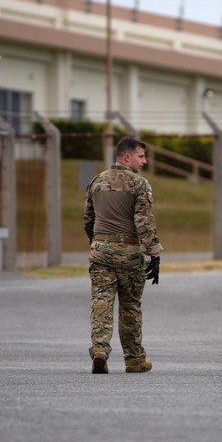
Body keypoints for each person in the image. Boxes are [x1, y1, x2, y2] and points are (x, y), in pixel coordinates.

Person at [83, 137, 162, 374]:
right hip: (129, 254)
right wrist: (154, 253)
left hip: (100, 251)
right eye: (141, 156)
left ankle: (99, 350)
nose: (145, 161)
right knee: (130, 307)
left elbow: (88, 219)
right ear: (126, 157)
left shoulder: (96, 181)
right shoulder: (139, 184)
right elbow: (143, 222)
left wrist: (98, 244)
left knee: (101, 303)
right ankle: (134, 360)